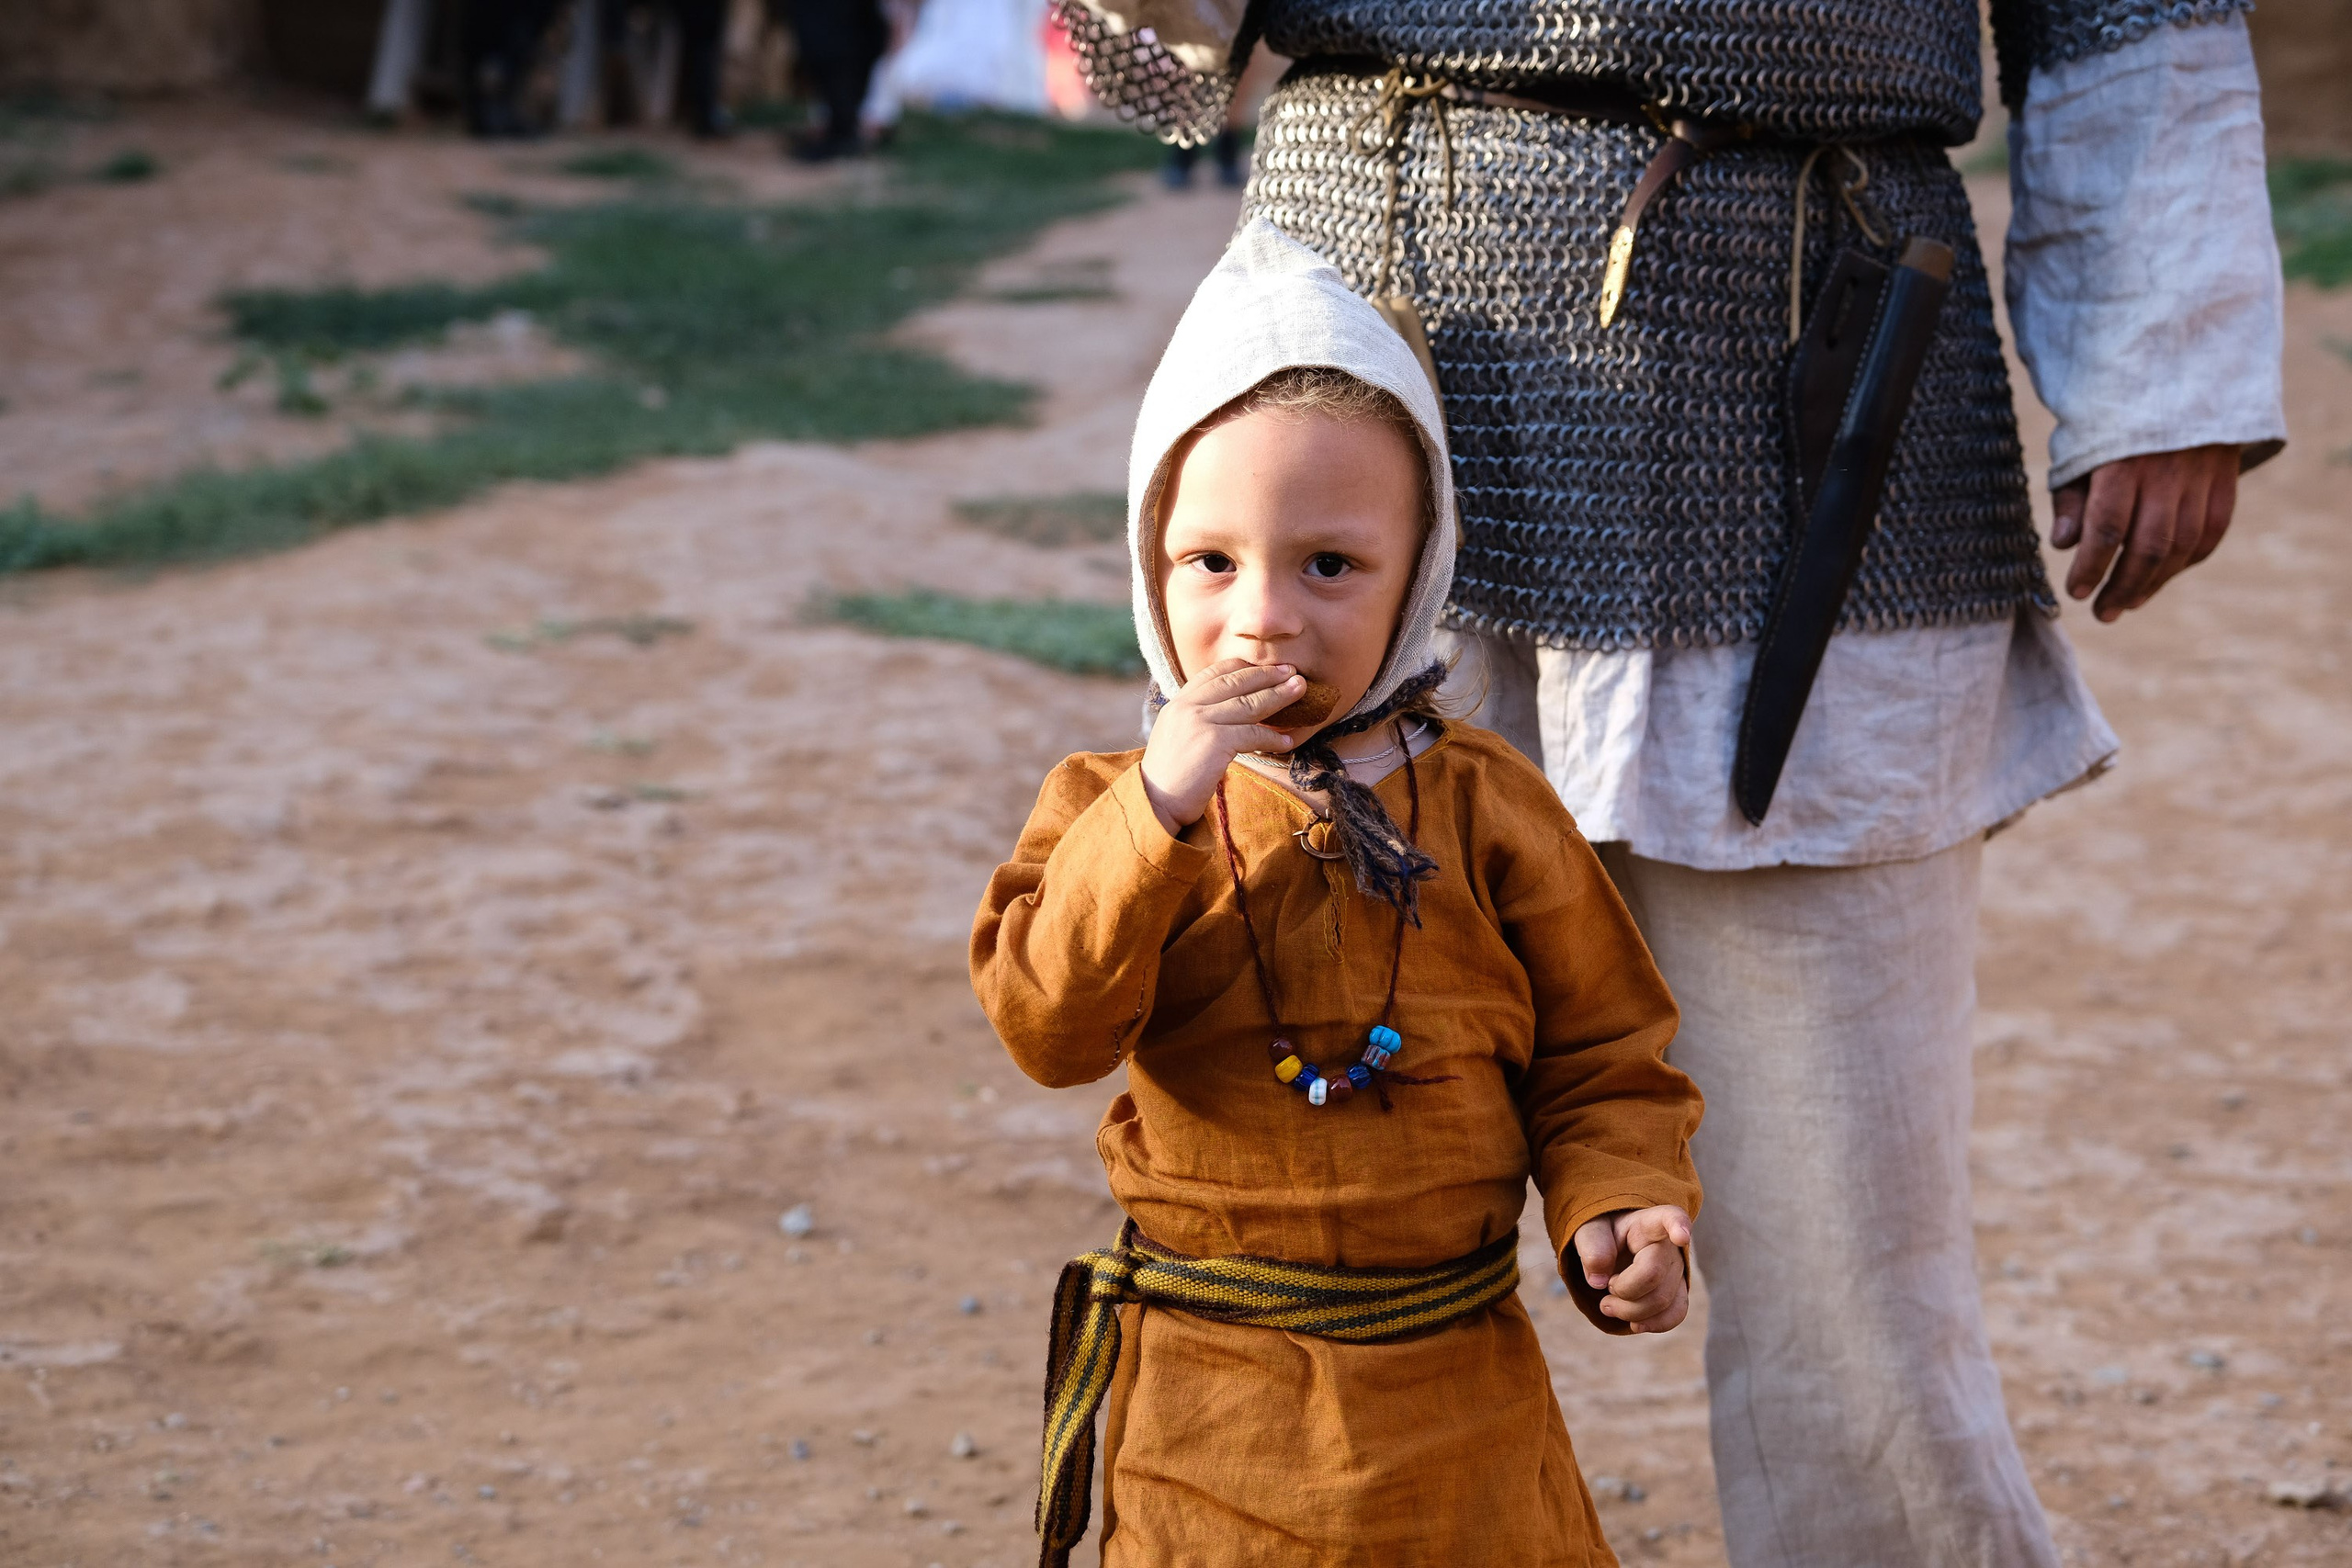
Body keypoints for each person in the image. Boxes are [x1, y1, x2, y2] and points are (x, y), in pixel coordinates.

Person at [1054, 0, 2288, 1565]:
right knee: (1302, 1188)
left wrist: (2163, 360)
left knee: (1846, 1234)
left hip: (1808, 354)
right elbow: (1160, 64)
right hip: (1364, 377)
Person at [970, 220, 1706, 1566]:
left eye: (1329, 564)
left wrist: (1619, 1201)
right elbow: (1048, 1029)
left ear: (1419, 570)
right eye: (1212, 563)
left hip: (1456, 1408)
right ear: (1151, 567)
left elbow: (1605, 1052)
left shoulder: (1488, 804)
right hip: (1208, 1408)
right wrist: (1163, 809)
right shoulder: (1108, 805)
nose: (1263, 618)